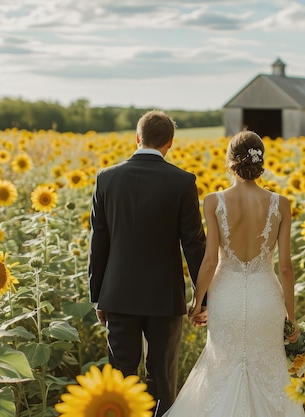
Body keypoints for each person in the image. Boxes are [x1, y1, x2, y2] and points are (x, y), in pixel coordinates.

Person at [162, 130, 305, 417]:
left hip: (225, 297)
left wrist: (197, 303)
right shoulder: (282, 204)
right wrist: (291, 319)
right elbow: (286, 267)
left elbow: (209, 261)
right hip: (266, 298)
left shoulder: (214, 201)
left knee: (221, 369)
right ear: (260, 160)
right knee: (270, 371)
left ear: (230, 161)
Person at [88, 110, 206, 415]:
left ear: (137, 138)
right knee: (162, 379)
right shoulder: (182, 181)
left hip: (118, 295)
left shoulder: (106, 178)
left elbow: (98, 242)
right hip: (164, 297)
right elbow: (193, 244)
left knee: (120, 379)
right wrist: (203, 298)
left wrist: (98, 295)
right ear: (170, 143)